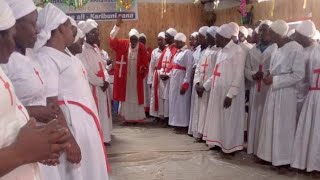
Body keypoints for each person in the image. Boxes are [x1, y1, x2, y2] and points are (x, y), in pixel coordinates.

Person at [35, 3, 109, 180]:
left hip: (84, 125)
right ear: (60, 28)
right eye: (70, 27)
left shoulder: (67, 53)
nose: (73, 32)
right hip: (71, 127)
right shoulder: (47, 57)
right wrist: (69, 140)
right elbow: (51, 102)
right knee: (76, 173)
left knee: (90, 170)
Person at [0, 0, 70, 178]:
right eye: (10, 33)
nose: (38, 30)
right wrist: (20, 152)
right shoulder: (9, 63)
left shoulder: (8, 67)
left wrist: (39, 140)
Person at [257, 20, 305, 167]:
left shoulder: (296, 48)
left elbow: (298, 75)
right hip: (273, 91)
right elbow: (273, 68)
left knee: (283, 125)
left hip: (286, 93)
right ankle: (268, 155)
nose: (267, 35)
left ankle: (283, 159)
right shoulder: (276, 48)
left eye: (270, 32)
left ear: (278, 34)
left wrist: (275, 80)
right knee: (270, 123)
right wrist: (268, 75)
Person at [203, 23, 246, 154]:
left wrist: (231, 94)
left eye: (217, 37)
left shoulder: (238, 51)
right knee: (217, 118)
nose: (215, 40)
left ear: (224, 38)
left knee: (229, 119)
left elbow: (238, 75)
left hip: (228, 93)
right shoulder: (221, 51)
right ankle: (217, 142)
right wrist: (205, 86)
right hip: (217, 90)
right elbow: (216, 72)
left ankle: (230, 146)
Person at [291, 21, 320, 172]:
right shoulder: (300, 50)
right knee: (307, 130)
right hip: (306, 95)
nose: (296, 37)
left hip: (310, 94)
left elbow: (308, 78)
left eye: (299, 35)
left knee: (314, 131)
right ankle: (303, 160)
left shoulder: (315, 51)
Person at [77, 18, 112, 143]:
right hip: (93, 87)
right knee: (96, 112)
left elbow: (103, 67)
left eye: (97, 32)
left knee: (104, 113)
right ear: (86, 35)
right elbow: (88, 73)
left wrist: (106, 79)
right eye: (93, 32)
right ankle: (97, 139)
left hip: (102, 86)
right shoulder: (82, 50)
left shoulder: (96, 49)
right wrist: (101, 82)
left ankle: (105, 137)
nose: (96, 35)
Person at [245, 21, 277, 155]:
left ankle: (264, 151)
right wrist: (253, 74)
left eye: (266, 30)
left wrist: (268, 74)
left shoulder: (276, 48)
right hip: (255, 87)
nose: (263, 33)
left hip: (268, 88)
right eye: (261, 31)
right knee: (254, 116)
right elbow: (246, 68)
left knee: (266, 117)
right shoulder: (252, 49)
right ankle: (253, 147)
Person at [109, 16, 149, 123]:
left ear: (138, 39)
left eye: (135, 39)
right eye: (131, 39)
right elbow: (112, 40)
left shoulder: (142, 48)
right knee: (126, 96)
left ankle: (136, 118)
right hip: (126, 78)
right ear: (129, 38)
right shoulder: (124, 44)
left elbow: (145, 63)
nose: (133, 41)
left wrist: (142, 69)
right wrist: (117, 26)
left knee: (135, 97)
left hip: (136, 78)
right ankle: (126, 117)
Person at [189, 26, 220, 140]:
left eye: (208, 36)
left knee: (206, 111)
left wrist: (204, 86)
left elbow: (216, 72)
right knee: (199, 110)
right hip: (200, 85)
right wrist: (197, 83)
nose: (206, 38)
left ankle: (205, 134)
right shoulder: (206, 51)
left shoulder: (218, 52)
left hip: (208, 87)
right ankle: (198, 132)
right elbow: (198, 68)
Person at [152, 27, 178, 126]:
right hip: (163, 76)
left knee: (168, 98)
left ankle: (168, 118)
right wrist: (162, 72)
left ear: (172, 37)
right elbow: (159, 63)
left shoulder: (175, 49)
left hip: (169, 78)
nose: (165, 38)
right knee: (162, 98)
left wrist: (167, 74)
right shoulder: (167, 49)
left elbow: (174, 64)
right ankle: (163, 116)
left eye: (167, 36)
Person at [168, 33, 194, 132]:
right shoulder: (178, 52)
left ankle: (183, 124)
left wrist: (185, 83)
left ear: (182, 42)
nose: (174, 44)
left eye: (176, 42)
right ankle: (176, 123)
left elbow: (188, 69)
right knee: (175, 102)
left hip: (181, 80)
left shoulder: (187, 53)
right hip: (174, 81)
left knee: (182, 103)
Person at [149, 32, 166, 119]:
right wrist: (150, 80)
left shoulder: (168, 51)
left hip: (164, 76)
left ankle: (163, 117)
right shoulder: (154, 52)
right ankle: (156, 116)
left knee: (162, 96)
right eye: (158, 40)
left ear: (165, 40)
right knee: (155, 95)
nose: (159, 42)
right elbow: (151, 66)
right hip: (156, 76)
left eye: (161, 40)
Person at [139, 33, 153, 116]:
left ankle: (147, 109)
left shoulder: (149, 50)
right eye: (140, 40)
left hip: (147, 73)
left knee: (147, 91)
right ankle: (141, 109)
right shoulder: (137, 50)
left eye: (143, 40)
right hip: (140, 74)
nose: (142, 42)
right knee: (142, 91)